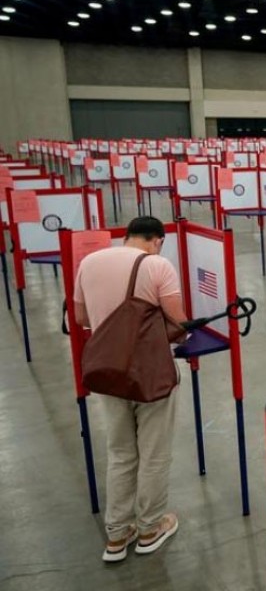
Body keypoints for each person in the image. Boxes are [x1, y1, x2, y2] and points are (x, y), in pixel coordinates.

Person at [74, 216, 186, 562]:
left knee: (120, 452)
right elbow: (178, 324)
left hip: (107, 371)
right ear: (158, 240)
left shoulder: (88, 262)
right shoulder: (157, 265)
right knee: (154, 452)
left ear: (126, 237)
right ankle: (150, 528)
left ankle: (117, 535)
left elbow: (80, 319)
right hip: (151, 373)